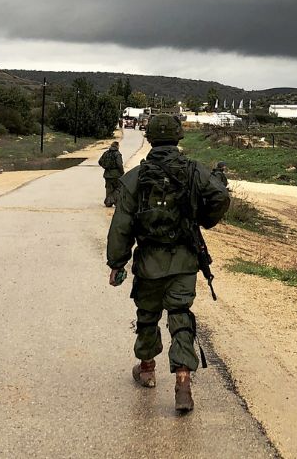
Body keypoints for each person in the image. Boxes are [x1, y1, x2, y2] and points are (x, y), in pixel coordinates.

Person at [106, 114, 230, 413]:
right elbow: (221, 196)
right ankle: (183, 380)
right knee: (180, 316)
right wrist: (203, 220)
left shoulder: (135, 177)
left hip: (148, 260)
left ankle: (147, 369)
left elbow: (121, 225)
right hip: (185, 259)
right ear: (178, 138)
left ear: (150, 137)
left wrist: (117, 263)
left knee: (147, 314)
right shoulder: (194, 171)